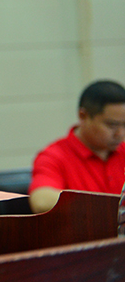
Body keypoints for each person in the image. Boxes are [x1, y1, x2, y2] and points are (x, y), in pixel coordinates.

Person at [29, 80, 125, 213]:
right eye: (112, 125)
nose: (120, 133)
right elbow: (41, 202)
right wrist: (112, 207)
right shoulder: (54, 156)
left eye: (124, 124)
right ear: (83, 116)